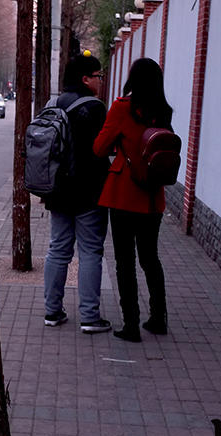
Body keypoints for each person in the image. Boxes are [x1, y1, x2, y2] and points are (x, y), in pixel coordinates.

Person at [92, 57, 171, 342]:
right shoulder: (164, 111)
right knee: (150, 258)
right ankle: (159, 318)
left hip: (124, 195)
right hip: (153, 197)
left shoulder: (122, 108)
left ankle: (131, 325)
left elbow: (100, 148)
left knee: (124, 261)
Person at [42, 51, 112, 335]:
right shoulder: (95, 108)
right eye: (98, 76)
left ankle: (52, 311)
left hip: (57, 190)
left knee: (58, 249)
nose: (100, 81)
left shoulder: (52, 103)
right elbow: (102, 149)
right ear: (86, 79)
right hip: (89, 192)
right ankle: (89, 317)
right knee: (91, 251)